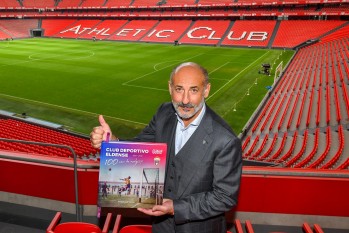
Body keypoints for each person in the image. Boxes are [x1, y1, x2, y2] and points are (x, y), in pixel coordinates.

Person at [90, 62, 242, 233]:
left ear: (206, 90)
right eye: (179, 89)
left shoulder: (225, 140)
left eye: (193, 90)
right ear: (170, 88)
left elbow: (224, 197)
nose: (185, 100)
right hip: (161, 226)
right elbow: (142, 146)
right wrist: (113, 142)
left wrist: (175, 207)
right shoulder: (163, 113)